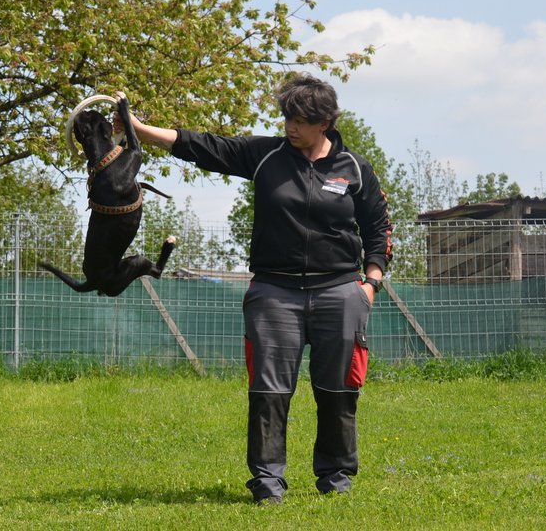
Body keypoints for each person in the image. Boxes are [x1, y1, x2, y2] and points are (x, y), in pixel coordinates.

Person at [123, 73, 393, 505]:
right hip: (274, 294)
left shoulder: (355, 169)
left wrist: (371, 283)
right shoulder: (266, 155)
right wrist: (138, 128)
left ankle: (336, 479)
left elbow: (379, 226)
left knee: (338, 390)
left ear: (325, 122)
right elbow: (201, 146)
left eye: (300, 120)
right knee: (269, 392)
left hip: (341, 293)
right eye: (286, 116)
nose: (290, 126)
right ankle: (268, 484)